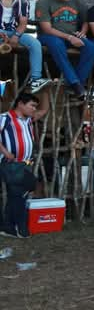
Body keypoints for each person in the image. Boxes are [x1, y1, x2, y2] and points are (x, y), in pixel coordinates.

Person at [34, 0, 94, 98]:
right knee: (57, 45)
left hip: (72, 35)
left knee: (91, 48)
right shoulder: (43, 2)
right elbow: (47, 29)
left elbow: (85, 20)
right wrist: (69, 38)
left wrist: (83, 32)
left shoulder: (76, 0)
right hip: (49, 36)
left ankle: (76, 83)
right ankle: (74, 83)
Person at [0, 92, 51, 238]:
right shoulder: (5, 118)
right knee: (21, 192)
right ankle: (21, 229)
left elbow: (45, 110)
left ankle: (7, 227)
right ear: (20, 104)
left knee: (16, 194)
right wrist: (5, 152)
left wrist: (46, 90)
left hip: (25, 163)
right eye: (32, 105)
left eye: (35, 106)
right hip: (11, 163)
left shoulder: (29, 119)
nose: (34, 108)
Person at [0, 0, 50, 92]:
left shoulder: (23, 3)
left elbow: (23, 23)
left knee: (35, 43)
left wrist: (16, 36)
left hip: (14, 31)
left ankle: (35, 79)